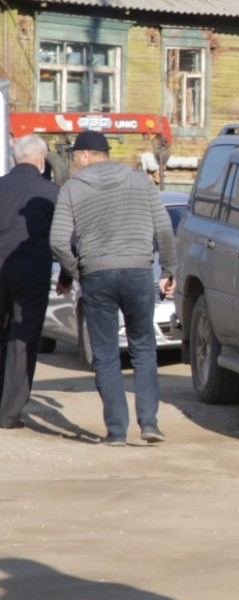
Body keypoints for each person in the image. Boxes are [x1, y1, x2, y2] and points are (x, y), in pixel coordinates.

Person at [49, 131, 177, 446]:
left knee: (106, 354)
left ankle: (117, 432)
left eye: (75, 157)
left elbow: (57, 240)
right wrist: (170, 270)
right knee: (144, 349)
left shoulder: (72, 188)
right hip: (137, 271)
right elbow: (163, 228)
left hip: (97, 275)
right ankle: (149, 425)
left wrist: (76, 270)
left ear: (84, 156)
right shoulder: (140, 181)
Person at [0, 135, 61, 430]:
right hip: (33, 277)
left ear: (14, 159)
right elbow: (65, 240)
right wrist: (69, 274)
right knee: (22, 342)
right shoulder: (52, 192)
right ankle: (9, 413)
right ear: (41, 159)